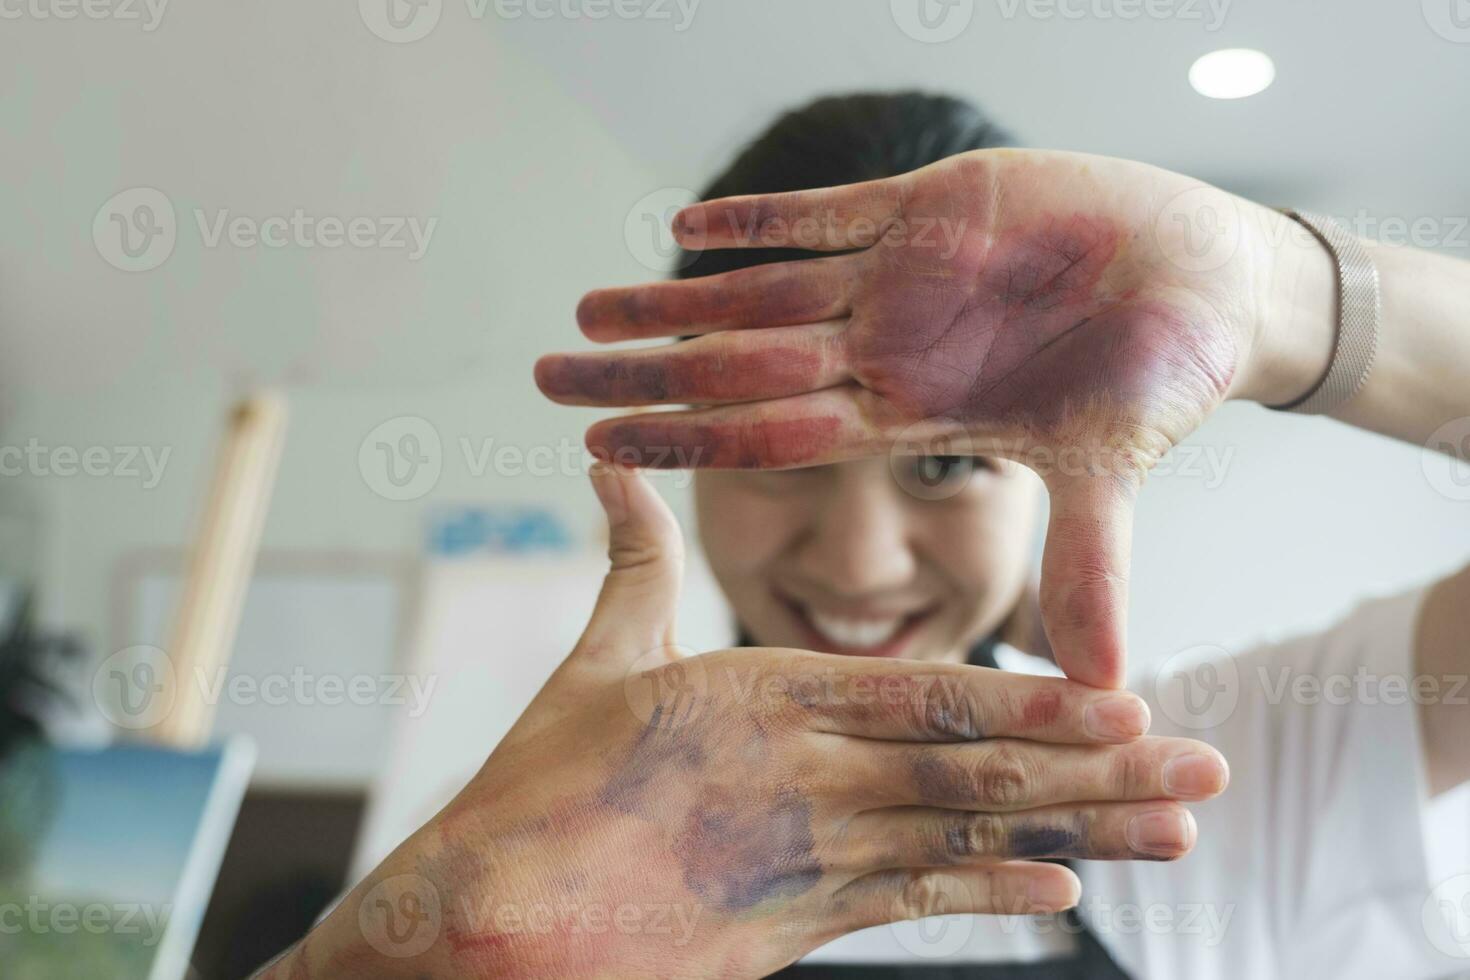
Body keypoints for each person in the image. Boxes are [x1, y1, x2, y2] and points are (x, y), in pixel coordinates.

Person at [254, 94, 1470, 978]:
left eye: (943, 465)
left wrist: (1277, 294)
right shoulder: (524, 831)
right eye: (783, 460)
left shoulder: (1214, 782)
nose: (857, 563)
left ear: (1043, 470)